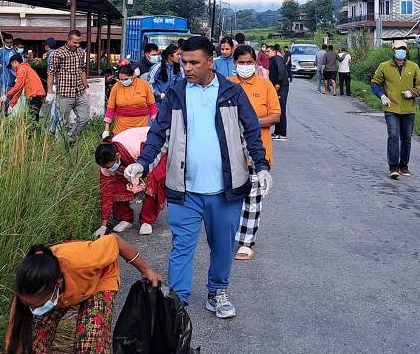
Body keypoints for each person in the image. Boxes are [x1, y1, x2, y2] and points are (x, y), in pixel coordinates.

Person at [124, 36, 271, 319]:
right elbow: (158, 135)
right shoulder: (176, 95)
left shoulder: (232, 93)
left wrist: (262, 166)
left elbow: (251, 130)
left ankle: (218, 292)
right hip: (185, 190)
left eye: (194, 62)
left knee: (223, 247)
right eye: (183, 62)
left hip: (225, 191)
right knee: (181, 247)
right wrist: (142, 164)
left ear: (210, 62)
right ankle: (178, 303)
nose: (187, 68)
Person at [0, 237, 162, 354]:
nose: (33, 311)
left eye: (37, 306)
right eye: (29, 306)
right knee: (28, 353)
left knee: (89, 348)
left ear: (57, 285)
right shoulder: (27, 293)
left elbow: (115, 240)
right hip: (56, 290)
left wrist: (146, 270)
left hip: (99, 280)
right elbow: (14, 349)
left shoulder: (84, 260)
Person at [227, 45, 281, 261]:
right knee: (229, 197)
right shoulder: (227, 85)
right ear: (235, 64)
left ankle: (246, 242)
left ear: (256, 64)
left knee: (253, 199)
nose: (246, 66)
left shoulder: (265, 85)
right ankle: (227, 234)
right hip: (230, 152)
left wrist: (252, 123)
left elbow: (276, 116)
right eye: (242, 62)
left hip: (258, 151)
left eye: (250, 63)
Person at [94, 125, 165, 236]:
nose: (108, 169)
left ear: (118, 156)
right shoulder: (106, 166)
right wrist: (103, 225)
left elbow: (151, 160)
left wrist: (140, 184)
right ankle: (125, 218)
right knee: (115, 186)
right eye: (105, 167)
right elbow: (106, 193)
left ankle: (147, 221)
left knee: (151, 183)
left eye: (109, 166)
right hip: (131, 160)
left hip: (151, 150)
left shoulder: (134, 148)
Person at [370, 40, 420, 179]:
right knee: (393, 136)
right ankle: (393, 167)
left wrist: (412, 92)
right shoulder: (384, 66)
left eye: (403, 49)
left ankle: (404, 166)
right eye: (398, 48)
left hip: (409, 109)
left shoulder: (413, 67)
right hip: (391, 107)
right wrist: (382, 95)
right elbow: (374, 83)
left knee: (406, 139)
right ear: (393, 50)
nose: (401, 51)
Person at [47, 30, 90, 143]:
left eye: (79, 42)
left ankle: (70, 137)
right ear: (68, 40)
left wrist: (86, 87)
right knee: (63, 122)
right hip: (65, 93)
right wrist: (50, 92)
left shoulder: (81, 52)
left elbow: (82, 70)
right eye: (75, 42)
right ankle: (59, 146)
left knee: (84, 118)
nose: (77, 45)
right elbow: (51, 73)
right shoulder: (58, 54)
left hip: (79, 92)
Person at [103, 63, 157, 138]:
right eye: (121, 79)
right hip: (121, 127)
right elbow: (110, 108)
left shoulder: (144, 85)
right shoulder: (116, 87)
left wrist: (155, 125)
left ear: (133, 76)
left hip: (141, 127)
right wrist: (106, 129)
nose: (123, 81)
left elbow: (152, 106)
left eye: (126, 79)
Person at [6, 54, 46, 125]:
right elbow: (19, 90)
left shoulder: (21, 69)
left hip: (34, 96)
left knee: (32, 120)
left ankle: (32, 135)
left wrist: (7, 95)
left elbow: (18, 87)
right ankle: (32, 135)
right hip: (35, 96)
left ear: (15, 62)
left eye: (11, 65)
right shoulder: (25, 68)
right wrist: (11, 105)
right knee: (32, 119)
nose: (12, 68)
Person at [0, 35, 22, 112]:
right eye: (7, 42)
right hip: (2, 81)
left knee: (13, 102)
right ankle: (0, 118)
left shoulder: (16, 52)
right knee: (2, 100)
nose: (9, 44)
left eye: (11, 42)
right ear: (4, 42)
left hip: (15, 81)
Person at [266, 44, 291, 140]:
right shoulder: (273, 60)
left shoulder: (276, 59)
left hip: (281, 87)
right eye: (266, 52)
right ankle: (277, 132)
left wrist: (278, 83)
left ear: (274, 51)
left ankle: (282, 133)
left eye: (268, 51)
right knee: (277, 109)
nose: (267, 53)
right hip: (277, 86)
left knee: (281, 109)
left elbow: (282, 71)